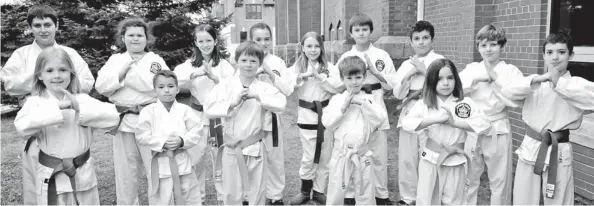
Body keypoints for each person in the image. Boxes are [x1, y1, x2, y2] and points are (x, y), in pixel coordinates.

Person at [0, 6, 95, 204]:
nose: (43, 29)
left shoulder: (69, 53)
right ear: (30, 28)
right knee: (36, 181)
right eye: (37, 25)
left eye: (47, 24)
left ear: (56, 26)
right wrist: (41, 75)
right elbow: (9, 83)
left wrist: (63, 85)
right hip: (36, 122)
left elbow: (87, 81)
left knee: (73, 180)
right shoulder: (21, 54)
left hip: (67, 123)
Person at [14, 47, 119, 205]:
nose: (56, 75)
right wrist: (57, 109)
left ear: (71, 73)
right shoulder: (34, 103)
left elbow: (113, 117)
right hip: (51, 174)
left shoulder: (82, 99)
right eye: (49, 70)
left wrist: (77, 107)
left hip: (82, 173)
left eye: (62, 70)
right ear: (40, 76)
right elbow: (21, 126)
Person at [502, 31, 594, 205]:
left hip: (559, 149)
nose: (555, 57)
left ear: (571, 55)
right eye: (550, 52)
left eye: (561, 52)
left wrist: (559, 83)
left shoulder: (576, 84)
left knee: (559, 200)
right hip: (531, 146)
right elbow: (507, 92)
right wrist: (539, 79)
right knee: (523, 199)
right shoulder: (534, 83)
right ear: (543, 55)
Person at [94, 18, 170, 205]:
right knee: (125, 171)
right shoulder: (116, 60)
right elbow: (101, 86)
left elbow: (161, 87)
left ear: (147, 39)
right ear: (123, 38)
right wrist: (120, 73)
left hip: (150, 120)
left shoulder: (155, 61)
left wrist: (127, 77)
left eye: (139, 35)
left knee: (156, 168)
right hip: (124, 121)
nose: (135, 39)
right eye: (131, 35)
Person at [203, 41, 287, 205]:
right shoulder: (225, 86)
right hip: (232, 147)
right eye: (244, 60)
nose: (248, 65)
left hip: (255, 146)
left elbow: (281, 104)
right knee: (231, 193)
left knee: (257, 191)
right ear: (236, 61)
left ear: (260, 64)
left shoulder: (263, 87)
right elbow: (208, 108)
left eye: (253, 61)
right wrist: (232, 104)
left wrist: (258, 96)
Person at [401, 59, 490, 205]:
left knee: (454, 199)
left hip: (456, 160)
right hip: (431, 159)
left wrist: (456, 123)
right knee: (426, 198)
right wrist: (434, 119)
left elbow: (485, 124)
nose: (446, 83)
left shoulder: (465, 103)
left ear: (456, 79)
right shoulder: (425, 103)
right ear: (431, 81)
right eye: (439, 79)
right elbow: (407, 124)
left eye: (450, 78)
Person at [459, 24, 525, 205]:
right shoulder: (472, 69)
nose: (488, 49)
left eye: (493, 44)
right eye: (483, 45)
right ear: (478, 47)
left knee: (500, 179)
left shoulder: (510, 71)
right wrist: (476, 80)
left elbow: (517, 98)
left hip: (498, 127)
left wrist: (497, 80)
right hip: (473, 127)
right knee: (468, 175)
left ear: (502, 46)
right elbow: (455, 90)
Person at [336, 13, 396, 205]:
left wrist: (374, 71)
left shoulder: (381, 56)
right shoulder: (346, 56)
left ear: (371, 31)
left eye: (364, 29)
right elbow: (338, 84)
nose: (361, 33)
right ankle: (351, 194)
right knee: (354, 151)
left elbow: (392, 85)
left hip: (375, 104)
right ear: (351, 34)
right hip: (354, 106)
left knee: (378, 154)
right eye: (357, 30)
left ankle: (381, 195)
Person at [173, 23, 236, 202]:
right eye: (201, 41)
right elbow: (173, 80)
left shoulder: (224, 66)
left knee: (220, 158)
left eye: (209, 40)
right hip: (196, 117)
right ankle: (196, 198)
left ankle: (224, 198)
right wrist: (195, 74)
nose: (205, 44)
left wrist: (215, 79)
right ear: (195, 42)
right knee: (195, 159)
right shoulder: (189, 65)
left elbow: (231, 90)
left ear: (215, 41)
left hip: (218, 119)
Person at [390, 20, 444, 205]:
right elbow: (397, 93)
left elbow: (447, 87)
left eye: (425, 38)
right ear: (411, 42)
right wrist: (408, 75)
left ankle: (428, 198)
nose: (421, 42)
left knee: (429, 158)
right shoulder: (406, 65)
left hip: (431, 114)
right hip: (409, 114)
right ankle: (408, 197)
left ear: (432, 40)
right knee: (408, 158)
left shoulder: (440, 61)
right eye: (417, 39)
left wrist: (425, 71)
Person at [322, 56, 387, 205]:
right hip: (341, 153)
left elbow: (380, 119)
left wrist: (363, 104)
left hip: (362, 154)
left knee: (365, 191)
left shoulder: (369, 99)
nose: (354, 82)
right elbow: (328, 124)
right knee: (336, 191)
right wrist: (343, 108)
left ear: (364, 77)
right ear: (342, 79)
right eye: (349, 78)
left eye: (358, 77)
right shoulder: (337, 100)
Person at [288, 31, 342, 205]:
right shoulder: (297, 67)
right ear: (302, 48)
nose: (313, 50)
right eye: (309, 46)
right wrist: (302, 76)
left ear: (321, 48)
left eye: (316, 46)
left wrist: (321, 79)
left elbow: (337, 88)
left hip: (326, 116)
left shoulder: (330, 67)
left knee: (325, 155)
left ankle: (319, 191)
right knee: (309, 155)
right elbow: (288, 84)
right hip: (307, 118)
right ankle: (305, 190)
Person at [136, 70, 202, 205]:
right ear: (155, 90)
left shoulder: (185, 110)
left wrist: (182, 140)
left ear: (177, 89)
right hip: (161, 166)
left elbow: (196, 130)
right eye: (161, 87)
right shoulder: (148, 111)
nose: (166, 90)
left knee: (190, 198)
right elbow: (141, 135)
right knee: (162, 200)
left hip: (183, 163)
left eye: (170, 86)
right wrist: (162, 143)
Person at [249, 22, 296, 205]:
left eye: (267, 38)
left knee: (274, 157)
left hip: (272, 116)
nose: (263, 43)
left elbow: (288, 90)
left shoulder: (278, 62)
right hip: (251, 116)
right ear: (251, 40)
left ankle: (275, 196)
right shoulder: (246, 59)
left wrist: (271, 74)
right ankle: (251, 194)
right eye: (258, 39)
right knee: (251, 156)